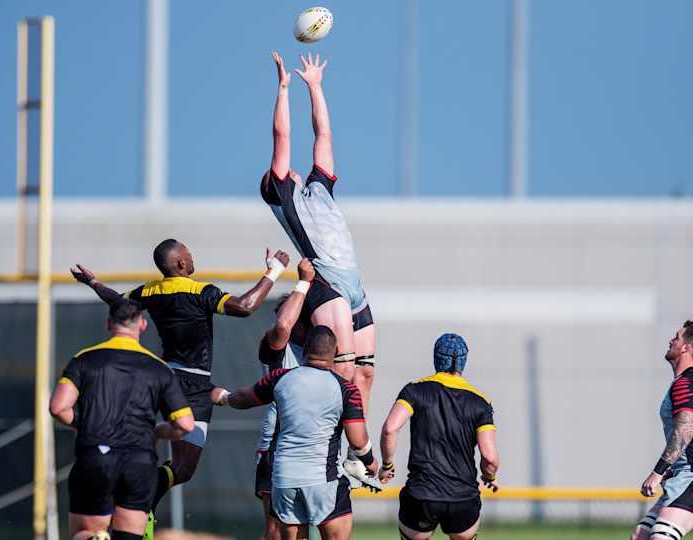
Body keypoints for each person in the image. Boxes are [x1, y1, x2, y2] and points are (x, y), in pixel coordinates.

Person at [70, 239, 289, 514]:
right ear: (182, 263)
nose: (193, 256)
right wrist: (274, 271)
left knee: (177, 467)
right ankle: (137, 504)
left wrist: (93, 283)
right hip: (192, 385)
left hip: (166, 377)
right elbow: (245, 306)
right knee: (183, 468)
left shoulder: (151, 291)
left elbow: (118, 301)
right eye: (189, 253)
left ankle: (138, 501)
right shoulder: (199, 292)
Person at [258, 52, 377, 478]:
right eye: (279, 173)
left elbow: (322, 133)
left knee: (364, 377)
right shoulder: (284, 194)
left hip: (357, 288)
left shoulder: (318, 188)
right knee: (342, 370)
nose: (285, 171)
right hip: (328, 285)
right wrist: (284, 89)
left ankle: (352, 455)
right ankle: (329, 450)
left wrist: (315, 86)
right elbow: (282, 136)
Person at [213, 326, 378, 540]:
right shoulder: (346, 389)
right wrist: (370, 461)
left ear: (306, 348)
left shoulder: (280, 378)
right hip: (323, 481)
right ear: (336, 352)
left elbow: (245, 398)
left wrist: (224, 397)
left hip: (283, 480)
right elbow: (357, 440)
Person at [49, 299, 195, 540]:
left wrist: (85, 425)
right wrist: (157, 432)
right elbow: (185, 424)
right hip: (139, 460)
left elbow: (58, 407)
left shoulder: (85, 359)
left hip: (96, 455)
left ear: (109, 324)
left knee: (85, 532)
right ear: (143, 325)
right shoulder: (159, 368)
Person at [379, 334, 499, 540]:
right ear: (464, 362)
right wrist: (489, 477)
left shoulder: (414, 390)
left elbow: (390, 428)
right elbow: (489, 457)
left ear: (436, 358)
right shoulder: (481, 402)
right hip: (463, 498)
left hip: (421, 496)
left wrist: (387, 465)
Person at [255, 258, 315, 540]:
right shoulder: (276, 346)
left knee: (302, 528)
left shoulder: (320, 354)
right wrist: (303, 282)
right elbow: (281, 327)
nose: (291, 322)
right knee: (276, 528)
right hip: (277, 447)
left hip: (312, 448)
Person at [634, 321, 693, 540]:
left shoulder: (686, 382)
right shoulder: (683, 381)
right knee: (641, 535)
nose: (671, 341)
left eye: (677, 337)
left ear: (686, 347)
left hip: (690, 476)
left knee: (662, 535)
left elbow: (686, 429)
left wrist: (657, 472)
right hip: (683, 474)